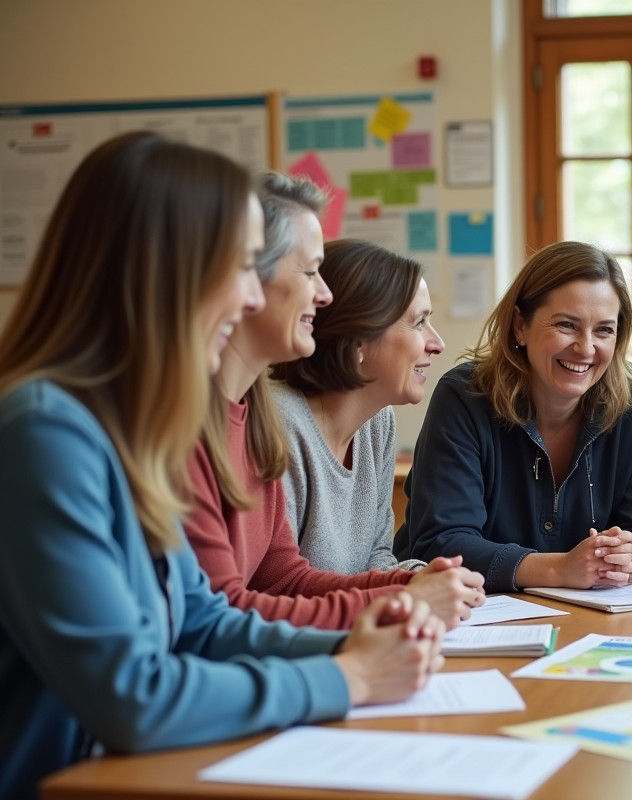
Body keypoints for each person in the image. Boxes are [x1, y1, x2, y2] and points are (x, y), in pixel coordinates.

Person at [0, 133, 443, 800]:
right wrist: (348, 678)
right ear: (167, 273)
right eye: (240, 268)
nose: (250, 300)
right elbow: (134, 694)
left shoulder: (128, 425)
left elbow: (203, 621)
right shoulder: (46, 432)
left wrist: (357, 641)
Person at [183, 173, 483, 630]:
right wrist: (394, 610)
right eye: (309, 272)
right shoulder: (246, 423)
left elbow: (281, 575)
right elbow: (219, 616)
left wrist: (409, 587)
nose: (322, 295)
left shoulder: (256, 413)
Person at [397, 240, 632, 593]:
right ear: (519, 326)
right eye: (567, 325)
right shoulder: (464, 396)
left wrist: (630, 556)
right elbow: (442, 542)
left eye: (604, 329)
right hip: (468, 618)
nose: (586, 348)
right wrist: (560, 568)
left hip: (590, 616)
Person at [270, 239, 444, 574]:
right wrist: (404, 590)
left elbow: (377, 557)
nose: (437, 344)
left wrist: (423, 576)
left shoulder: (378, 421)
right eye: (419, 323)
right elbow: (278, 586)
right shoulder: (279, 422)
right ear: (358, 341)